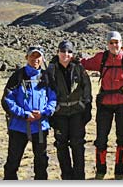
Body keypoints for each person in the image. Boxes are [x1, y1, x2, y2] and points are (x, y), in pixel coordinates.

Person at [80, 31, 123, 180]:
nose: (114, 45)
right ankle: (100, 170)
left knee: (122, 138)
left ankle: (119, 172)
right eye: (111, 42)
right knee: (101, 139)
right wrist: (69, 58)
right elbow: (85, 63)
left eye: (116, 42)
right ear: (107, 44)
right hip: (104, 104)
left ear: (121, 43)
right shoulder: (101, 58)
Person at [3, 46, 57, 180]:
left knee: (41, 162)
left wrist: (44, 112)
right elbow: (7, 100)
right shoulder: (18, 76)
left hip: (40, 126)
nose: (35, 59)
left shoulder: (46, 76)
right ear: (26, 58)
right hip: (18, 126)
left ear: (42, 58)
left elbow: (53, 98)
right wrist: (24, 114)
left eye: (38, 56)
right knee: (13, 162)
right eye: (32, 56)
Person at [47, 40, 92, 180]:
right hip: (59, 114)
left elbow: (87, 88)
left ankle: (79, 177)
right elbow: (47, 90)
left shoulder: (79, 68)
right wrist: (51, 113)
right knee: (61, 145)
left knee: (78, 145)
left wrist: (87, 107)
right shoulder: (51, 69)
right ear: (58, 52)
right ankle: (66, 177)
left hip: (77, 113)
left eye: (69, 51)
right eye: (63, 51)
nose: (66, 54)